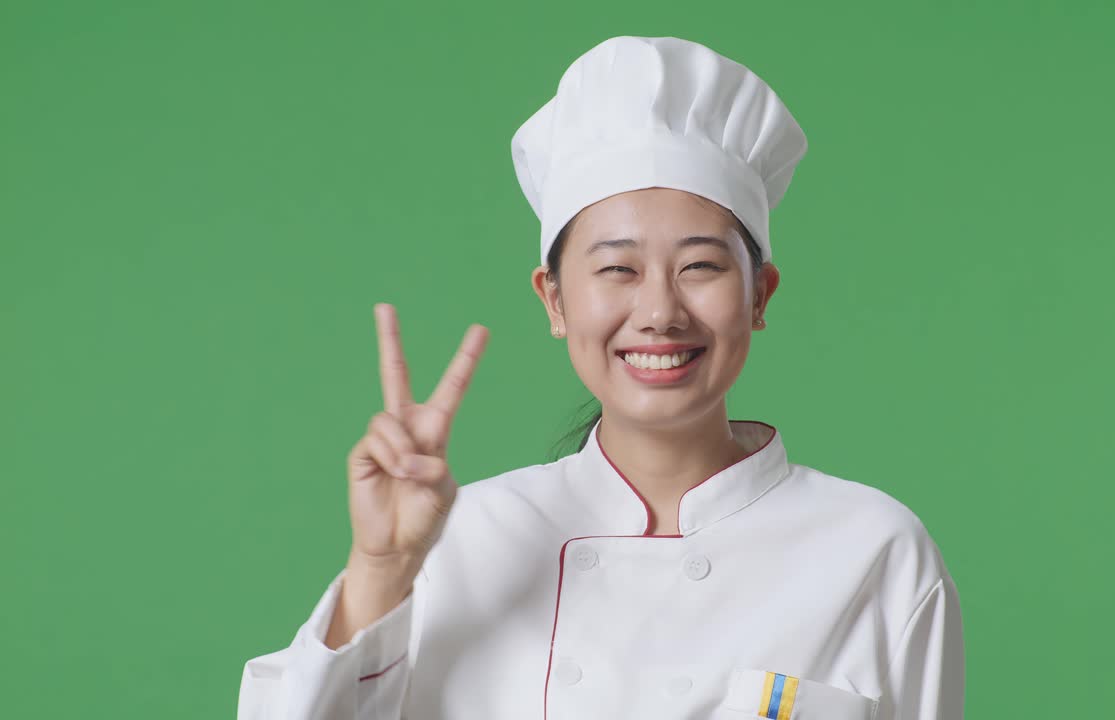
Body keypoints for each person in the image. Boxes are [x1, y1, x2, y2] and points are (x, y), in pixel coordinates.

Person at [237, 35, 964, 720]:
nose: (660, 312)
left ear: (760, 295)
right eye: (617, 268)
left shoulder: (872, 550)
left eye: (701, 266)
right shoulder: (456, 542)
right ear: (554, 300)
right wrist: (381, 568)